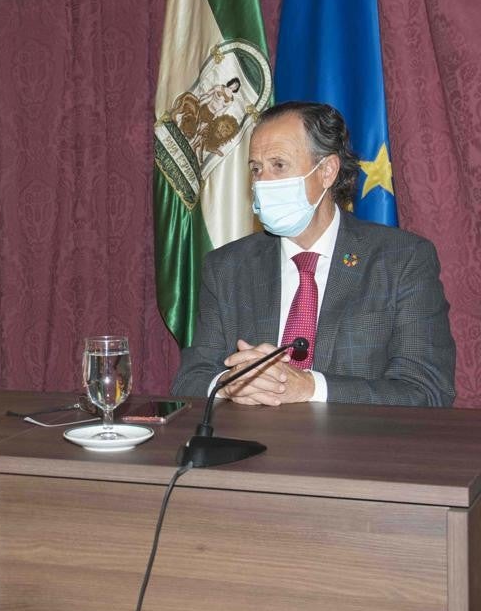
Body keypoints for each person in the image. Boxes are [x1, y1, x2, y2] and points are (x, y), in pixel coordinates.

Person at [172, 101, 455, 407]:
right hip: (252, 447)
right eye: (256, 169)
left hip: (357, 450)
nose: (263, 182)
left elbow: (427, 391)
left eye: (279, 165)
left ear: (327, 171)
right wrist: (229, 385)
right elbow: (190, 380)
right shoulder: (227, 267)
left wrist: (311, 387)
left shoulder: (402, 260)